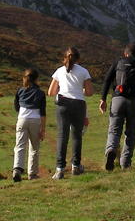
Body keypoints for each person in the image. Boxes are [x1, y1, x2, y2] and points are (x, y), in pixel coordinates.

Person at [99, 43, 135, 171]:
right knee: (131, 133)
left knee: (114, 130)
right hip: (134, 101)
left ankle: (111, 150)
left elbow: (107, 79)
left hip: (118, 100)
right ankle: (125, 163)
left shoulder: (118, 62)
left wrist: (103, 99)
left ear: (125, 53)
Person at [47, 47, 93, 179]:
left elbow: (51, 92)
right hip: (78, 104)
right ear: (78, 58)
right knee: (77, 136)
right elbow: (89, 92)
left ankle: (60, 169)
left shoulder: (59, 71)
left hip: (62, 104)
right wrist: (80, 91)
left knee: (62, 136)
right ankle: (76, 166)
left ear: (65, 58)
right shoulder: (84, 71)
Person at [12, 69, 46, 182]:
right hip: (35, 121)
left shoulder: (20, 91)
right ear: (36, 79)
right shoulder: (40, 93)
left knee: (20, 145)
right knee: (34, 148)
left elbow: (16, 107)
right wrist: (43, 129)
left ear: (25, 78)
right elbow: (43, 113)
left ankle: (17, 169)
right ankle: (32, 174)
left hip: (22, 119)